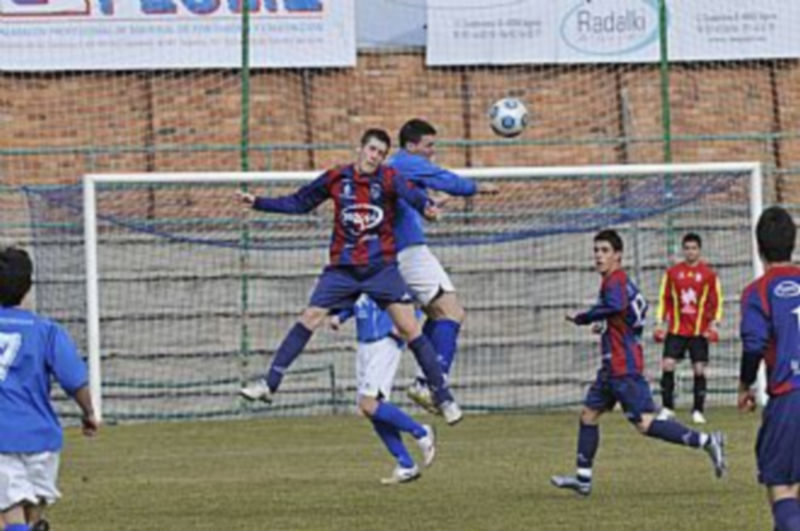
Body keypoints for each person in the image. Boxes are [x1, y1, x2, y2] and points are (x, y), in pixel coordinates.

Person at [237, 128, 463, 424]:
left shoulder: (389, 179)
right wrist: (258, 203)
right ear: (360, 149)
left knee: (411, 329)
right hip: (342, 271)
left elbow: (415, 197)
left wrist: (428, 209)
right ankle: (269, 384)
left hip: (381, 269)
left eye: (381, 153)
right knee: (309, 317)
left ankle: (444, 398)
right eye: (371, 150)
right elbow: (299, 202)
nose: (375, 157)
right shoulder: (336, 178)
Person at [550, 230, 726, 496]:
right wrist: (607, 325)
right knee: (588, 415)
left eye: (605, 251)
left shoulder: (615, 282)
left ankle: (707, 441)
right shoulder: (619, 281)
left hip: (624, 366)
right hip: (612, 366)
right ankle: (583, 479)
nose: (599, 255)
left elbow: (616, 304)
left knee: (645, 423)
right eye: (596, 250)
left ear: (618, 255)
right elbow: (633, 311)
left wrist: (583, 317)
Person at [388, 119, 499, 411]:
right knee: (452, 312)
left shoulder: (397, 170)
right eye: (428, 145)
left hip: (395, 253)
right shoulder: (405, 162)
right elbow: (446, 178)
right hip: (409, 251)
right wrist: (479, 187)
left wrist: (436, 202)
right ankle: (432, 384)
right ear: (411, 146)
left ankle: (424, 381)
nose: (432, 152)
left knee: (437, 314)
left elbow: (420, 203)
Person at [0, 247, 99, 531]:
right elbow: (74, 379)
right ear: (28, 287)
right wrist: (89, 412)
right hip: (42, 439)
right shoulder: (46, 330)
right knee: (31, 514)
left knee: (8, 514)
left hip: (2, 438)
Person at [738, 206, 800, 531]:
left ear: (759, 247)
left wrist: (744, 385)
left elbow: (753, 345)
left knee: (783, 488)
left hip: (790, 398)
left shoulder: (757, 293)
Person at [330, 294, 435, 485]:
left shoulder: (392, 272)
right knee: (371, 409)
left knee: (368, 405)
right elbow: (356, 299)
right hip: (364, 344)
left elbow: (415, 301)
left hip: (386, 341)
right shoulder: (360, 274)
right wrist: (341, 316)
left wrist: (408, 325)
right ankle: (406, 465)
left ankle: (421, 432)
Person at [654, 232, 723, 424]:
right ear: (682, 250)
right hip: (676, 329)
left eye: (694, 248)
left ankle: (698, 410)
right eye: (687, 248)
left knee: (699, 369)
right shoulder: (672, 273)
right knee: (667, 364)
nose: (690, 252)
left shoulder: (709, 274)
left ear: (699, 250)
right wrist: (660, 322)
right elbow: (664, 298)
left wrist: (714, 324)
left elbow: (716, 300)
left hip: (698, 331)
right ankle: (667, 407)